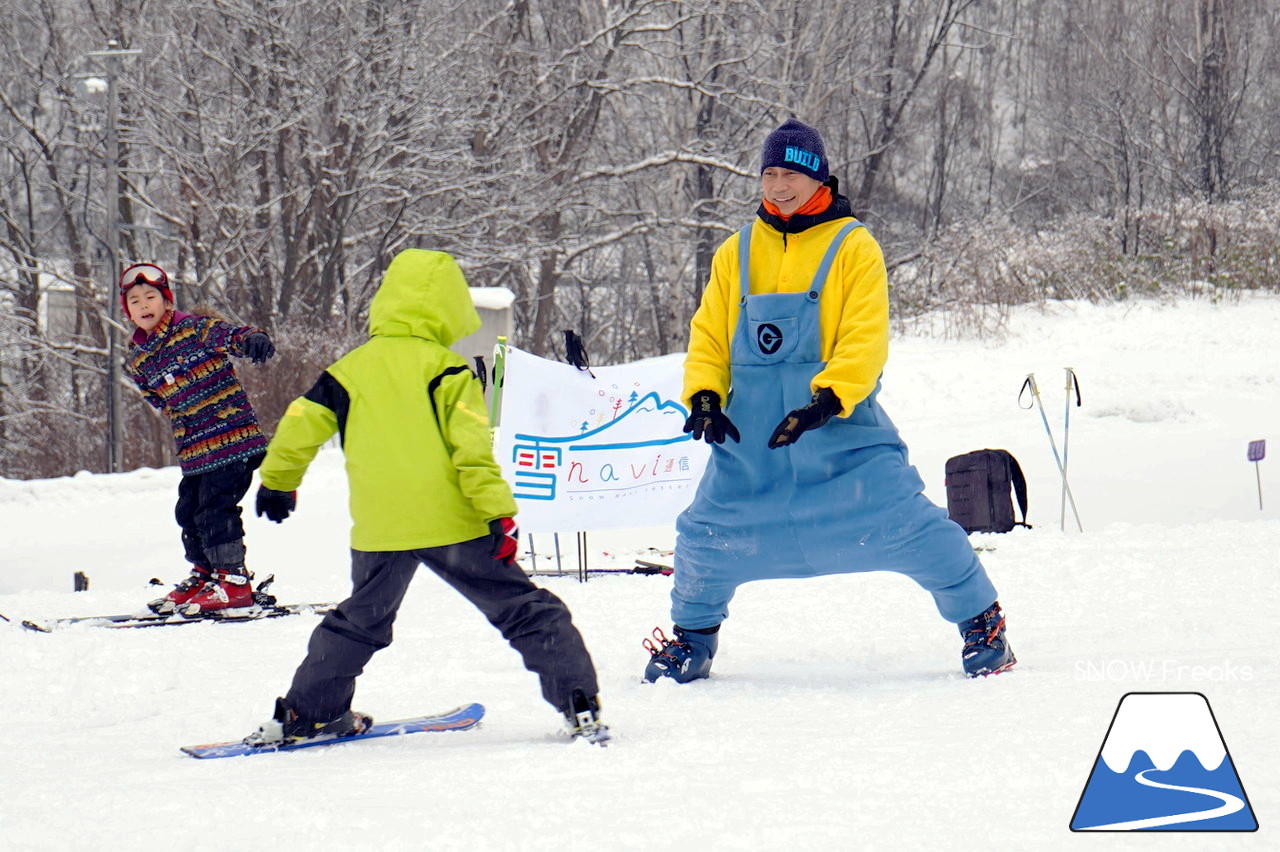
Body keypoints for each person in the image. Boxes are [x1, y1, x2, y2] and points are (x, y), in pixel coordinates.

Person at [643, 118, 1016, 684]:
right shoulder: (735, 252)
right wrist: (704, 398)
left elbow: (866, 338)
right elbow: (709, 338)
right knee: (706, 538)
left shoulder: (854, 248)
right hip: (752, 448)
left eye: (790, 172)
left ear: (817, 177)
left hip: (841, 441)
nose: (778, 185)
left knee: (914, 528)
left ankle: (982, 625)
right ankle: (691, 641)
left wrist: (825, 402)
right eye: (768, 172)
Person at [243, 248, 608, 746]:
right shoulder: (447, 370)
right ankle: (579, 704)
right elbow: (472, 450)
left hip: (382, 529)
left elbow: (301, 423)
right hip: (453, 525)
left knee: (358, 623)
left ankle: (309, 713)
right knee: (523, 609)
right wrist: (497, 513)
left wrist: (279, 481)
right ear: (448, 308)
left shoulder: (348, 371)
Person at [120, 262, 276, 615]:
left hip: (232, 437)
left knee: (214, 508)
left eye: (150, 297)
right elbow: (156, 398)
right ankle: (207, 576)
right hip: (195, 448)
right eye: (134, 301)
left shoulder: (191, 328)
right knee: (189, 511)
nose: (143, 305)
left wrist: (252, 338)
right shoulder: (140, 357)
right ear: (127, 311)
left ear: (166, 301)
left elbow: (229, 334)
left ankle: (234, 583)